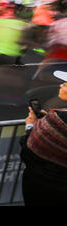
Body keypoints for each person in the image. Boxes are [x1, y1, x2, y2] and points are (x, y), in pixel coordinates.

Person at [20, 70, 67, 206]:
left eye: (66, 83)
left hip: (44, 190)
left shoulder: (57, 120)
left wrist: (31, 127)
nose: (61, 85)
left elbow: (28, 151)